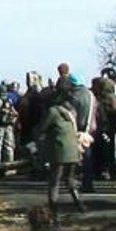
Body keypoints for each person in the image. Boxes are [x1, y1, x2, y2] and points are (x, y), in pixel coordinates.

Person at [40, 78, 86, 217]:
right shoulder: (71, 110)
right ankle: (79, 203)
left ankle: (53, 208)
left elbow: (43, 128)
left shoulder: (53, 112)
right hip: (73, 150)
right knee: (70, 179)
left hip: (59, 150)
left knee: (55, 180)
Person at [0, 84, 18, 165]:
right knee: (9, 146)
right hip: (9, 125)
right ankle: (10, 165)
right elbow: (15, 113)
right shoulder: (9, 100)